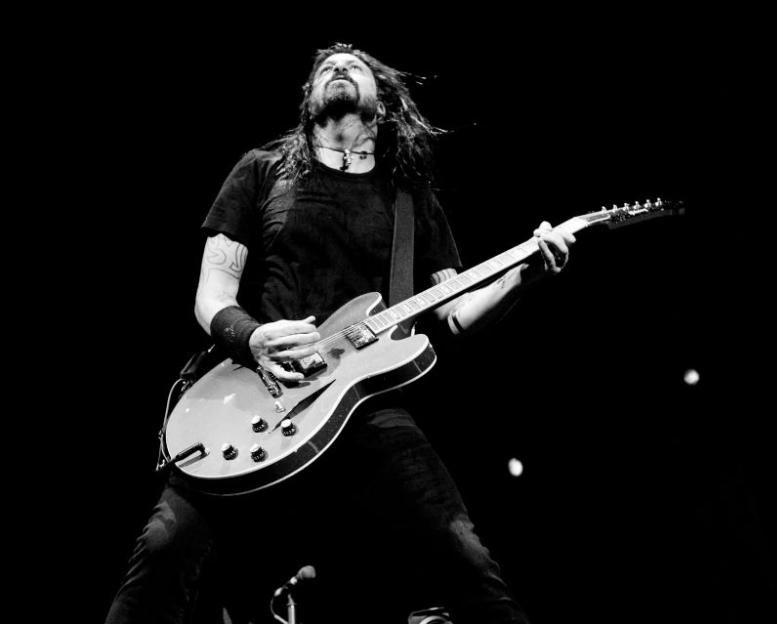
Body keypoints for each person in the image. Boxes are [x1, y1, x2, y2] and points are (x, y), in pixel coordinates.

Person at [105, 43, 574, 624]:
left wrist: (524, 274)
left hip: (365, 404)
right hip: (259, 393)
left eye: (357, 63)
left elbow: (454, 314)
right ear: (309, 100)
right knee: (164, 548)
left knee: (464, 555)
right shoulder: (262, 170)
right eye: (326, 64)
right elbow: (211, 296)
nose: (340, 60)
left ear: (384, 104)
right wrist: (252, 338)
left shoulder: (409, 196)